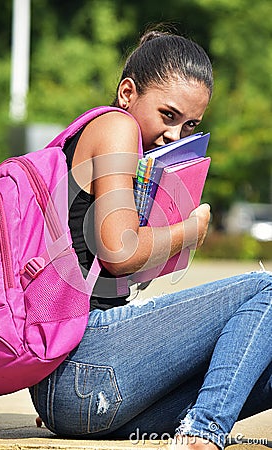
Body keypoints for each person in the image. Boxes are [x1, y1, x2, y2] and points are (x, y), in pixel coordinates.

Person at [29, 26, 272, 450]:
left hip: (82, 395)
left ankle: (199, 427)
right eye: (169, 115)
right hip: (84, 368)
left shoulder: (95, 143)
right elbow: (120, 252)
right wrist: (188, 232)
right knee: (267, 288)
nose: (177, 135)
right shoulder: (115, 127)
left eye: (192, 124)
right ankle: (203, 432)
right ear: (127, 93)